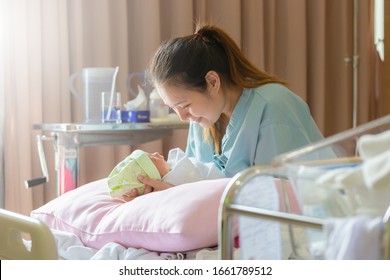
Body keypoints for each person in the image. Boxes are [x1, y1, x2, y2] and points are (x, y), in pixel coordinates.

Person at [130, 22, 324, 199]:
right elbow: (198, 180)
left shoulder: (273, 105)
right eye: (173, 108)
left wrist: (178, 195)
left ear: (212, 82)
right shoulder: (202, 121)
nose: (183, 117)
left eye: (184, 105)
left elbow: (281, 197)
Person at [108, 148, 225, 200]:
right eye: (152, 159)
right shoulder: (177, 176)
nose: (156, 153)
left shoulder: (174, 166)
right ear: (153, 176)